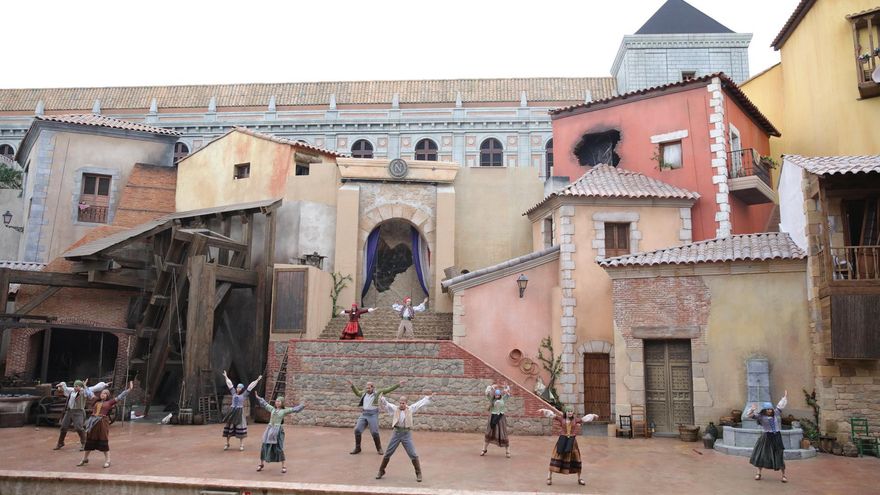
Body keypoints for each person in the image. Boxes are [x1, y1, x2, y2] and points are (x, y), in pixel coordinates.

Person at [375, 392, 435, 482]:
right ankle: (381, 470)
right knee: (388, 453)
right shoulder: (395, 409)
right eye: (400, 403)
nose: (401, 404)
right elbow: (386, 404)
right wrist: (382, 398)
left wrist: (428, 398)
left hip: (406, 434)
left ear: (406, 403)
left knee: (413, 454)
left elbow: (419, 403)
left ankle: (418, 473)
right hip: (396, 434)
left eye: (403, 403)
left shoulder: (410, 409)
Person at [76, 381, 133, 468]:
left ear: (108, 396)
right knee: (89, 441)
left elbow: (120, 397)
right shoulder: (95, 400)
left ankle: (108, 460)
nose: (103, 394)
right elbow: (88, 392)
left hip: (102, 423)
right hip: (93, 423)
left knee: (103, 441)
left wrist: (129, 389)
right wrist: (84, 385)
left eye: (105, 394)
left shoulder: (110, 402)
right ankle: (85, 459)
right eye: (102, 393)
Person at [538, 406, 599, 486]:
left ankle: (579, 478)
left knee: (577, 458)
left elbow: (584, 419)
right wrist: (543, 410)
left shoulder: (575, 420)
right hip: (562, 440)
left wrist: (593, 415)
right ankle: (549, 477)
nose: (570, 413)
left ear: (573, 413)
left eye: (571, 411)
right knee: (556, 456)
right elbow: (552, 415)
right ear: (565, 412)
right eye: (568, 411)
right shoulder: (561, 419)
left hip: (572, 442)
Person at [346, 378, 404, 455]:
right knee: (357, 430)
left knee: (374, 432)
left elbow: (388, 389)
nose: (367, 389)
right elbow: (357, 393)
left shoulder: (377, 393)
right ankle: (358, 448)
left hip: (373, 414)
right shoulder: (364, 393)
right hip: (364, 414)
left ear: (373, 387)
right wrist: (352, 385)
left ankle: (379, 448)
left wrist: (398, 385)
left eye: (369, 388)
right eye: (366, 388)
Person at [253, 391, 305, 474]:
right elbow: (265, 404)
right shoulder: (272, 409)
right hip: (269, 430)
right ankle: (261, 463)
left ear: (282, 403)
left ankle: (283, 465)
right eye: (276, 401)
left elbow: (294, 409)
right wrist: (258, 397)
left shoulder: (284, 411)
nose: (277, 402)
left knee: (279, 448)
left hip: (277, 431)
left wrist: (303, 405)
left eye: (279, 401)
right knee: (264, 446)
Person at [53, 378, 109, 451]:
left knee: (79, 427)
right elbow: (65, 387)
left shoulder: (84, 392)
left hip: (78, 412)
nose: (75, 387)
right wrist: (61, 384)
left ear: (80, 386)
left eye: (77, 386)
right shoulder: (72, 391)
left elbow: (95, 388)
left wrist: (104, 384)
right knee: (63, 427)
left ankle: (84, 443)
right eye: (75, 386)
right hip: (69, 411)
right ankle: (60, 443)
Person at [747, 390, 789, 483]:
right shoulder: (760, 417)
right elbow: (749, 416)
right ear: (765, 410)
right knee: (762, 454)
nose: (770, 410)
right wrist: (752, 409)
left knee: (779, 454)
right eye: (768, 409)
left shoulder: (776, 413)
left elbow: (780, 405)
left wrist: (784, 397)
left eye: (771, 409)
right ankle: (758, 473)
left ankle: (783, 475)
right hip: (767, 437)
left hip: (777, 436)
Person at [221, 370, 262, 451]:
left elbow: (250, 387)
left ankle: (241, 444)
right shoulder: (233, 393)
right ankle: (227, 443)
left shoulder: (244, 394)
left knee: (240, 426)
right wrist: (226, 376)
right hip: (232, 412)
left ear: (242, 389)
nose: (238, 388)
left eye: (239, 387)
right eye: (237, 387)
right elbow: (230, 385)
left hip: (239, 412)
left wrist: (257, 380)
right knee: (229, 427)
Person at [481, 383, 511, 458]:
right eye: (496, 395)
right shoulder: (492, 399)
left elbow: (508, 393)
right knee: (489, 432)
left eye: (498, 395)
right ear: (494, 395)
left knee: (503, 433)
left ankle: (507, 451)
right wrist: (491, 387)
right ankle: (484, 449)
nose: (497, 396)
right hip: (492, 417)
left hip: (500, 418)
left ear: (500, 395)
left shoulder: (503, 399)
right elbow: (487, 393)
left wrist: (506, 388)